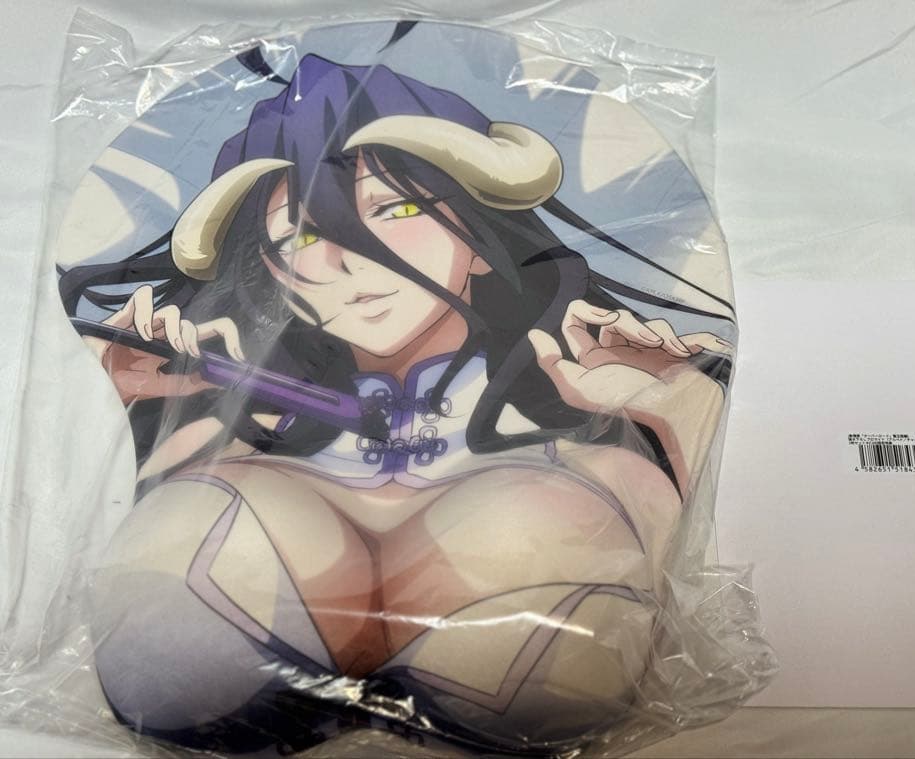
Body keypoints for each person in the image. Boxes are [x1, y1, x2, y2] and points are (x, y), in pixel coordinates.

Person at [59, 53, 735, 754]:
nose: (347, 258)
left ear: (480, 239)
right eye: (302, 233)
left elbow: (678, 575)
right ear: (267, 270)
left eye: (397, 207)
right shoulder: (214, 421)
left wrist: (675, 404)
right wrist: (131, 409)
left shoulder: (596, 420)